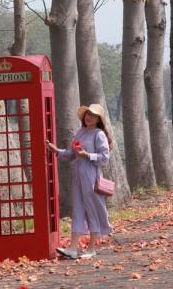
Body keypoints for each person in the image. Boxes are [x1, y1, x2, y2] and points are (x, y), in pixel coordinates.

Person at [47, 103, 114, 259]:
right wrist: (56, 150)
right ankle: (72, 247)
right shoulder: (81, 133)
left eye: (93, 115)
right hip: (78, 177)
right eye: (88, 114)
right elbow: (72, 153)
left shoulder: (99, 134)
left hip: (92, 176)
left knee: (92, 210)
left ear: (99, 120)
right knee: (77, 209)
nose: (89, 117)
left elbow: (104, 158)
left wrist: (88, 155)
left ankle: (91, 248)